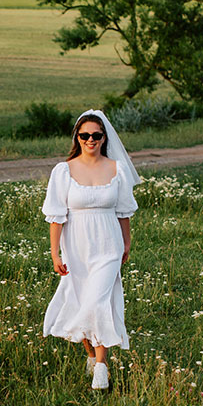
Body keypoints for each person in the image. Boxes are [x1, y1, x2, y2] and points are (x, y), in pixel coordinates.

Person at [41, 109, 139, 390]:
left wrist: (127, 243)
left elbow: (123, 212)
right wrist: (55, 253)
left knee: (99, 302)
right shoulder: (64, 171)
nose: (90, 140)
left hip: (108, 244)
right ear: (77, 137)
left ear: (104, 137)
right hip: (77, 246)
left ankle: (101, 367)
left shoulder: (116, 168)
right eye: (84, 135)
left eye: (96, 135)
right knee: (81, 301)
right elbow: (57, 216)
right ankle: (91, 354)